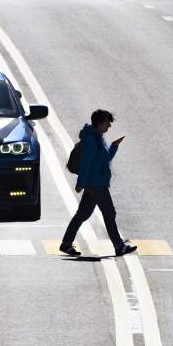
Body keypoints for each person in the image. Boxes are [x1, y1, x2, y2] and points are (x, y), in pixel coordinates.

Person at [60, 110, 137, 257]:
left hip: (94, 183)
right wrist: (80, 183)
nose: (109, 126)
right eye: (107, 123)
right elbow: (85, 164)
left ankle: (66, 243)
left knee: (83, 213)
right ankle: (119, 246)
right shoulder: (91, 140)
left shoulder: (97, 138)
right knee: (109, 213)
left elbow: (104, 159)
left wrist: (114, 146)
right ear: (100, 123)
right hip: (96, 184)